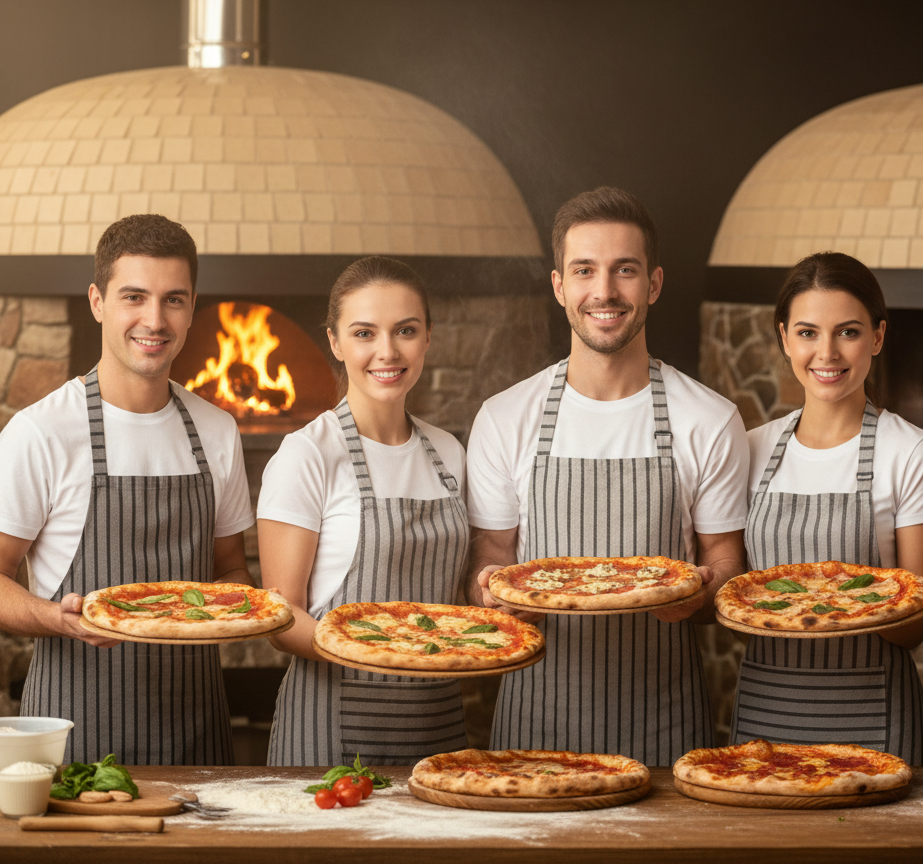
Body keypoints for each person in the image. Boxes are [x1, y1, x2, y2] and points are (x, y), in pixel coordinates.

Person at [466, 187, 749, 766]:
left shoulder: (709, 418)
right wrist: (492, 594)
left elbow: (725, 560)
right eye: (585, 270)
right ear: (559, 286)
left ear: (654, 284)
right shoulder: (505, 416)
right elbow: (488, 556)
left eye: (625, 270)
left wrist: (698, 593)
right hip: (534, 720)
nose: (604, 291)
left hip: (666, 718)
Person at [0, 214, 254, 764]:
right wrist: (56, 618)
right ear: (97, 301)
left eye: (173, 299)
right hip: (75, 738)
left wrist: (237, 610)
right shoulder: (40, 431)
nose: (154, 320)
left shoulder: (217, 430)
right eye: (134, 296)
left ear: (192, 308)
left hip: (198, 738)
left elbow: (232, 568)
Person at [732, 252, 923, 764]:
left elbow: (917, 624)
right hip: (765, 715)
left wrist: (832, 606)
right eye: (807, 332)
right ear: (784, 337)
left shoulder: (913, 453)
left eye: (847, 332)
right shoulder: (748, 449)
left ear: (877, 337)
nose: (826, 352)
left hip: (874, 715)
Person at [263, 257, 469, 766]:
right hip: (329, 730)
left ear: (427, 339)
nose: (387, 351)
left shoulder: (450, 453)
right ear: (335, 342)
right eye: (364, 333)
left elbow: (454, 596)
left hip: (437, 724)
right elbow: (280, 619)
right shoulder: (307, 454)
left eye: (405, 330)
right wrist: (385, 651)